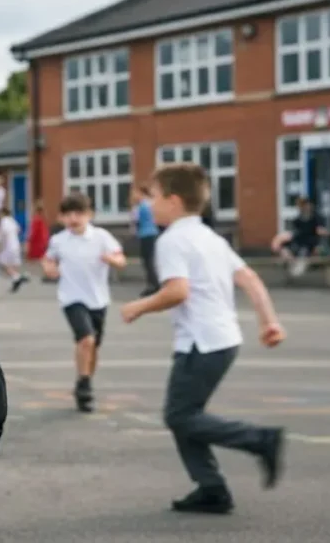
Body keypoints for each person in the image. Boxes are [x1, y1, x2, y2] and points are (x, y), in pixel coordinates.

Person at [120, 163, 286, 515]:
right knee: (184, 412)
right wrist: (269, 322)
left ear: (174, 201)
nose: (147, 204)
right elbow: (251, 279)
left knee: (180, 416)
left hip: (202, 342)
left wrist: (138, 306)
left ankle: (259, 440)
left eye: (153, 196)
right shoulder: (211, 237)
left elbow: (178, 291)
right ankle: (211, 488)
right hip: (222, 339)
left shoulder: (172, 240)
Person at [41, 193, 126, 412]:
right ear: (61, 217)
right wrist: (49, 268)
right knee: (86, 340)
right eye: (68, 214)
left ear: (89, 215)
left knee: (94, 345)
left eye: (78, 213)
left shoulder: (101, 237)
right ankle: (85, 385)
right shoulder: (59, 240)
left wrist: (112, 260)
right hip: (71, 297)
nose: (73, 218)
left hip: (98, 299)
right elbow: (49, 259)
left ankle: (84, 379)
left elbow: (121, 259)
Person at [270, 197, 325, 277]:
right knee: (285, 250)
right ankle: (291, 266)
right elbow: (295, 233)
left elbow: (320, 231)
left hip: (309, 243)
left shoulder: (316, 218)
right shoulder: (298, 219)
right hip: (298, 242)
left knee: (303, 253)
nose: (303, 207)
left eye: (304, 205)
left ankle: (296, 270)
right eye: (301, 205)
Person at [131, 185, 160, 295]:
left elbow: (136, 221)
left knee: (148, 261)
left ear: (141, 193)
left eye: (135, 193)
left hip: (145, 235)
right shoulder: (151, 204)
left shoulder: (141, 206)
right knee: (150, 260)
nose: (134, 196)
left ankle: (154, 285)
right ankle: (154, 284)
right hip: (153, 233)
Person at [0, 207, 27, 292]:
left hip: (8, 246)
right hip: (16, 244)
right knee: (12, 265)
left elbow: (2, 235)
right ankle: (16, 280)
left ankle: (17, 277)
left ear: (2, 213)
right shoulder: (12, 220)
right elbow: (19, 230)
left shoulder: (3, 221)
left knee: (3, 262)